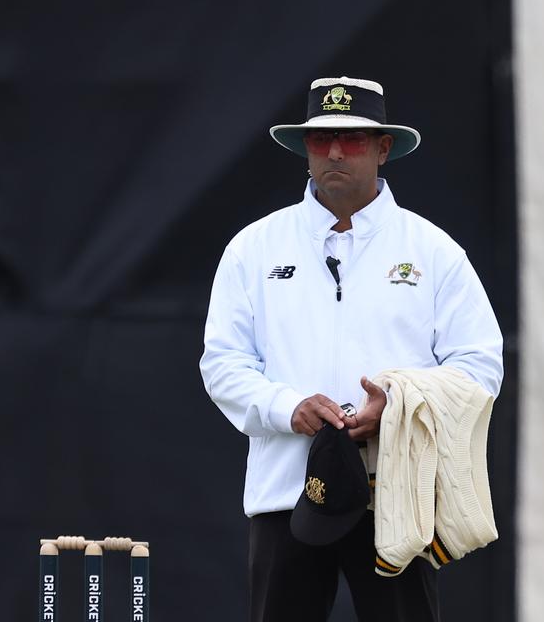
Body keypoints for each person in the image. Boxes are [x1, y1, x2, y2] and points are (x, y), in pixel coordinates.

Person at [201, 76, 503, 622]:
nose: (336, 151)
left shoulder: (434, 251)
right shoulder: (253, 247)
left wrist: (399, 405)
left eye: (354, 138)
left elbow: (480, 366)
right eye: (322, 139)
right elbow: (222, 364)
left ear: (384, 148)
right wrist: (287, 408)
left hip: (396, 493)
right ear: (305, 150)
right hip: (286, 492)